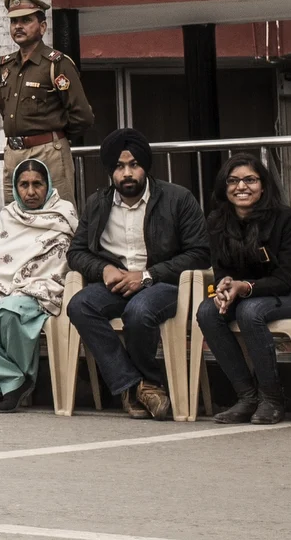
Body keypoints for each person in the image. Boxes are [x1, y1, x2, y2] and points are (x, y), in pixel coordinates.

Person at [64, 128, 209, 421]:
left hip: (164, 283)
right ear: (110, 171)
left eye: (134, 165)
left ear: (145, 166)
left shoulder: (178, 199)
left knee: (139, 311)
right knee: (80, 305)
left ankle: (147, 381)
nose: (127, 173)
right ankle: (135, 386)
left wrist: (146, 275)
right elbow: (76, 252)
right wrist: (103, 269)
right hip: (116, 283)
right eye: (119, 167)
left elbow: (200, 253)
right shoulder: (97, 203)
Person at [192, 153, 291, 425]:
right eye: (233, 181)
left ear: (263, 185)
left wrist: (244, 287)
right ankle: (247, 397)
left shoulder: (286, 218)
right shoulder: (217, 220)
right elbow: (221, 270)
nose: (241, 187)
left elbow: (285, 279)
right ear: (224, 187)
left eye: (250, 180)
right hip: (245, 294)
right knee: (207, 312)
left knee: (249, 311)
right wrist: (223, 287)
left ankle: (272, 397)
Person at [0, 158, 78, 411]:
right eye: (24, 185)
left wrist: (21, 284)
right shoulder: (9, 214)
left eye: (38, 184)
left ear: (48, 186)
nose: (31, 192)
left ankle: (11, 384)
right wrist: (8, 285)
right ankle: (12, 381)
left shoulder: (62, 213)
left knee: (9, 312)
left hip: (41, 286)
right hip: (1, 285)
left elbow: (60, 260)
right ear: (15, 187)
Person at [0, 0, 97, 213]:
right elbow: (5, 111)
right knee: (15, 219)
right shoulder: (7, 67)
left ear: (42, 27)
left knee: (58, 216)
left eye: (26, 20)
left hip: (48, 151)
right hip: (14, 154)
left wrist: (55, 136)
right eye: (14, 21)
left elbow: (83, 115)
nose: (18, 26)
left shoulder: (56, 63)